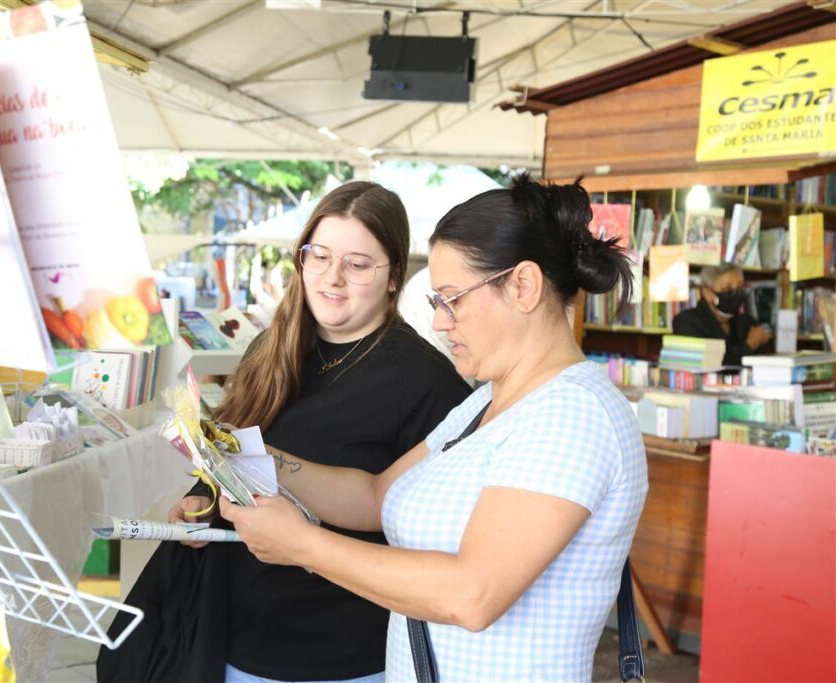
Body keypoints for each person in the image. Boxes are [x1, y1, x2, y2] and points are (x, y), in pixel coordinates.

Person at [219, 173, 649, 682]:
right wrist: (251, 456)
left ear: (523, 286)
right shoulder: (487, 402)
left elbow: (472, 594)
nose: (441, 322)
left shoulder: (571, 416)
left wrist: (303, 546)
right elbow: (376, 495)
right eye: (436, 304)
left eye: (452, 299)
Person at [98, 181, 470, 683]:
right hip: (228, 640)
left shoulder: (428, 383)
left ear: (393, 277)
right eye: (320, 256)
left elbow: (434, 534)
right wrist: (201, 500)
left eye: (358, 264)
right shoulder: (271, 349)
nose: (332, 278)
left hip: (339, 657)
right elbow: (234, 459)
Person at [672, 262, 771, 366]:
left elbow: (763, 365)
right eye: (727, 289)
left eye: (740, 288)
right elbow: (709, 363)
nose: (735, 295)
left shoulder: (748, 322)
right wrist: (750, 344)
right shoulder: (686, 322)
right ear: (707, 292)